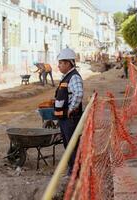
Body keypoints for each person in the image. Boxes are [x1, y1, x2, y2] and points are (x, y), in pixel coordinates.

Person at [54, 47, 84, 175]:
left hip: (70, 118)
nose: (59, 65)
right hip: (65, 118)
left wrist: (70, 110)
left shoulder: (74, 77)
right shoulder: (66, 77)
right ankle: (73, 168)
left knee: (72, 145)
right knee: (68, 145)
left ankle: (75, 171)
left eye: (61, 63)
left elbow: (78, 94)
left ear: (68, 63)